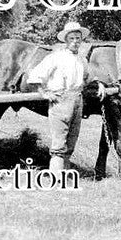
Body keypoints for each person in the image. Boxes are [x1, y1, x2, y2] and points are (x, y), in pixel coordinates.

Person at [26, 21, 89, 174]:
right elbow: (35, 76)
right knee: (59, 142)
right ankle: (55, 176)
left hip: (77, 100)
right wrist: (45, 93)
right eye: (72, 38)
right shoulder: (56, 57)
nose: (75, 42)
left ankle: (65, 175)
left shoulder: (82, 60)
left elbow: (87, 79)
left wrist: (98, 85)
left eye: (78, 38)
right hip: (61, 100)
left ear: (81, 40)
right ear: (66, 40)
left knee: (71, 141)